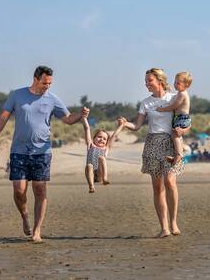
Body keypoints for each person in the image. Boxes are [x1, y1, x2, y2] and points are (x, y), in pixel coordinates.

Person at [0, 65, 86, 243]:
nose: (47, 86)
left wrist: (80, 115)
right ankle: (25, 215)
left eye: (49, 83)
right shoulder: (17, 95)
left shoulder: (52, 99)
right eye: (44, 83)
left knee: (40, 189)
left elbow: (68, 119)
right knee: (19, 191)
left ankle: (37, 230)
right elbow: (3, 117)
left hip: (42, 151)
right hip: (19, 151)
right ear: (35, 79)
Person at [120, 68, 188, 238]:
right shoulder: (145, 103)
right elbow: (137, 126)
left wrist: (183, 131)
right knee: (157, 188)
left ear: (159, 80)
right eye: (145, 81)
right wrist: (125, 123)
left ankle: (173, 222)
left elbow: (186, 121)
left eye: (149, 80)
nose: (146, 83)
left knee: (170, 181)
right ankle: (164, 228)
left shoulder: (174, 98)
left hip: (171, 143)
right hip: (152, 143)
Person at [80, 108, 125, 193]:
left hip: (100, 174)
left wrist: (121, 126)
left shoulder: (106, 149)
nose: (101, 139)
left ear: (106, 141)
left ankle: (104, 178)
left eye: (104, 139)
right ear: (94, 139)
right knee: (89, 165)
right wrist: (84, 118)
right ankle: (91, 186)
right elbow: (87, 128)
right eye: (99, 137)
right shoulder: (90, 145)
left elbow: (114, 136)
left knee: (102, 158)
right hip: (91, 174)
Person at [156, 72, 192, 164]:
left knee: (175, 135)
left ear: (186, 85)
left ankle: (179, 155)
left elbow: (174, 106)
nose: (175, 85)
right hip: (181, 118)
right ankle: (178, 153)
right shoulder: (180, 93)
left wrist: (162, 109)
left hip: (182, 118)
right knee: (177, 136)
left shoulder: (182, 94)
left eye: (178, 83)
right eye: (175, 82)